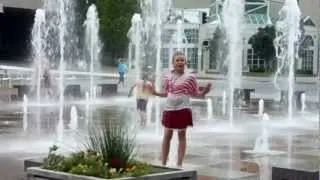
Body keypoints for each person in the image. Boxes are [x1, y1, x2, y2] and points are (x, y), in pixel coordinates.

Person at [152, 51, 211, 167]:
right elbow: (165, 93)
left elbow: (195, 94)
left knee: (181, 135)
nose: (180, 62)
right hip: (169, 109)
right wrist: (154, 92)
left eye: (182, 60)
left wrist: (204, 92)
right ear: (173, 63)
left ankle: (179, 163)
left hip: (183, 109)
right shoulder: (167, 77)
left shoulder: (190, 77)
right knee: (167, 135)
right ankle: (163, 163)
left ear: (185, 62)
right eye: (177, 60)